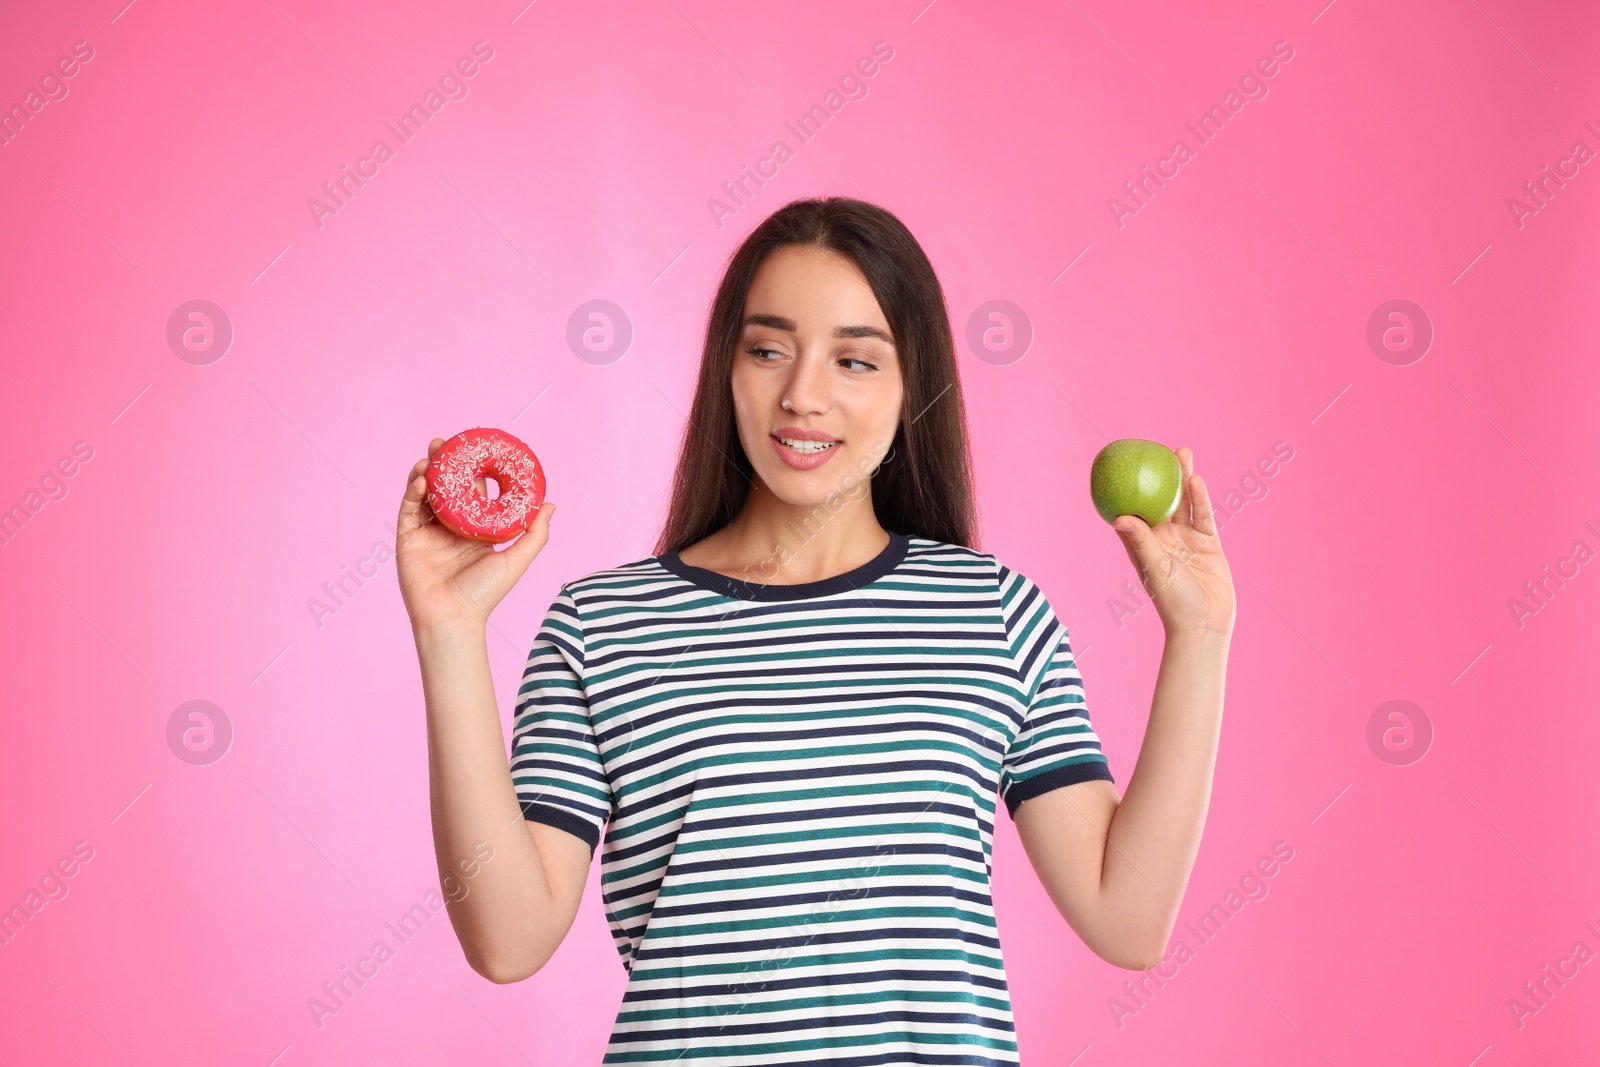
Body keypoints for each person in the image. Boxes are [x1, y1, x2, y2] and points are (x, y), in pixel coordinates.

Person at [397, 196, 1236, 1065]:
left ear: (914, 385)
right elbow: (508, 939)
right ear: (727, 369)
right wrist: (450, 633)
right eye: (767, 350)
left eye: (856, 361)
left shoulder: (993, 611)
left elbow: (1127, 918)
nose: (802, 395)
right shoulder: (602, 625)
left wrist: (1201, 637)